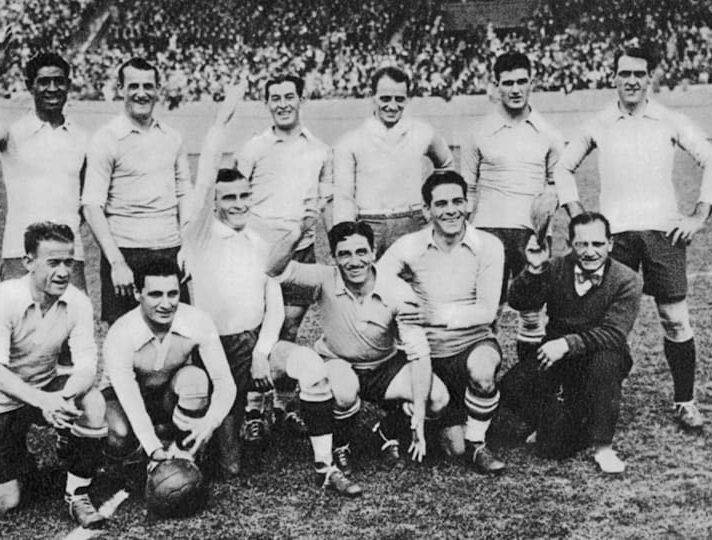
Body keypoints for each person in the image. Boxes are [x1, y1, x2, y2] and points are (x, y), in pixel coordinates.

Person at [181, 83, 361, 496]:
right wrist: (222, 119)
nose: (240, 204)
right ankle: (194, 433)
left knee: (311, 367)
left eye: (245, 195)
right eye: (230, 198)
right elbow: (207, 171)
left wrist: (262, 352)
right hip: (216, 350)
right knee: (229, 466)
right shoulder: (198, 235)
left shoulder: (258, 241)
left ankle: (325, 465)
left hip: (254, 344)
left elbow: (275, 304)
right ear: (214, 204)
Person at [555, 47, 712, 431]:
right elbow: (563, 168)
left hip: (664, 232)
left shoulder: (669, 119)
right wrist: (579, 217)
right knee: (599, 319)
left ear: (650, 78)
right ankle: (588, 398)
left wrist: (699, 214)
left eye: (639, 74)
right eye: (624, 73)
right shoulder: (600, 122)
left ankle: (685, 401)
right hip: (614, 236)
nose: (631, 80)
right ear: (613, 77)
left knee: (674, 319)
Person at [267, 220, 450, 472]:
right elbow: (273, 269)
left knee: (437, 398)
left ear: (373, 253)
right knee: (344, 392)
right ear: (334, 258)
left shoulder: (397, 289)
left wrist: (419, 416)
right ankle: (341, 444)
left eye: (361, 252)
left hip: (384, 367)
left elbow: (419, 354)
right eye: (345, 254)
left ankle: (387, 431)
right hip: (338, 362)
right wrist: (297, 233)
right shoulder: (324, 277)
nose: (354, 261)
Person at [0, 222, 107, 527]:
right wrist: (44, 401)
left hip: (47, 388)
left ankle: (77, 493)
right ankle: (21, 458)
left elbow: (87, 366)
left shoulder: (78, 302)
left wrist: (64, 398)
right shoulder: (0, 299)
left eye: (68, 262)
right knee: (6, 504)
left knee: (94, 402)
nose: (63, 272)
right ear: (28, 262)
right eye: (53, 262)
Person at [377, 171, 507, 474]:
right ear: (427, 211)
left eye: (457, 201)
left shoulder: (489, 245)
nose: (451, 210)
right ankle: (393, 424)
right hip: (427, 355)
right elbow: (377, 279)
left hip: (472, 344)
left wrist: (434, 315)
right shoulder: (409, 245)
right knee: (451, 449)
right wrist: (405, 296)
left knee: (483, 374)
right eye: (441, 204)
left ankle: (477, 442)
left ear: (467, 204)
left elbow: (487, 311)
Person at [461, 51, 564, 427]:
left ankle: (528, 393)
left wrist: (544, 228)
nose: (516, 89)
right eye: (508, 82)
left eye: (522, 81)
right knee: (486, 315)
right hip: (487, 233)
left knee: (532, 316)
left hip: (529, 236)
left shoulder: (549, 133)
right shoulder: (477, 132)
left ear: (532, 82)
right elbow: (467, 190)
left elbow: (555, 187)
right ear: (496, 86)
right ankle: (478, 391)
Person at [508, 213, 643, 473]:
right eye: (582, 244)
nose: (590, 252)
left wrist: (567, 344)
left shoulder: (627, 279)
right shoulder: (556, 267)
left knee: (605, 363)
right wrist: (534, 269)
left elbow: (614, 334)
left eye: (598, 244)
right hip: (557, 355)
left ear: (610, 244)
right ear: (571, 244)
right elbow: (518, 302)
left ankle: (603, 447)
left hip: (600, 355)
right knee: (511, 397)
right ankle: (565, 412)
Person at [0, 35, 89, 288]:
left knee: (74, 314)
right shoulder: (13, 133)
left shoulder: (82, 138)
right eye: (43, 82)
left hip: (69, 255)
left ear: (68, 85)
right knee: (21, 314)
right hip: (20, 253)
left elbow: (86, 200)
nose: (52, 88)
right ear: (30, 86)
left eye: (59, 81)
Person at [101, 256, 235, 485]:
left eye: (172, 294)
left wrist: (210, 422)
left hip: (166, 394)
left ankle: (184, 454)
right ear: (138, 294)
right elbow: (130, 398)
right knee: (119, 433)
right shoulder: (121, 333)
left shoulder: (197, 320)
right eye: (155, 295)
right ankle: (124, 463)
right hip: (123, 399)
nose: (166, 304)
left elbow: (224, 382)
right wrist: (153, 449)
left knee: (195, 379)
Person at [82, 57, 191, 325]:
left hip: (170, 249)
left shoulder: (173, 137)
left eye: (148, 86)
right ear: (121, 89)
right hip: (127, 252)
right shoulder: (106, 138)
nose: (141, 93)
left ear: (158, 89)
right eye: (133, 86)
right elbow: (92, 206)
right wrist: (117, 263)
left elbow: (185, 195)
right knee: (125, 336)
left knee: (175, 335)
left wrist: (188, 247)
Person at [234, 74, 333, 345]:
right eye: (275, 99)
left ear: (302, 99)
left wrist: (335, 242)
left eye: (289, 97)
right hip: (260, 251)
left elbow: (326, 202)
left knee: (290, 326)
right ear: (266, 103)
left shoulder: (321, 150)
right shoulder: (253, 148)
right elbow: (233, 199)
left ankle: (282, 373)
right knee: (255, 324)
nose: (282, 104)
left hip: (301, 250)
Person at [333, 66, 454, 256]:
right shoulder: (351, 140)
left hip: (412, 222)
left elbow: (446, 164)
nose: (392, 106)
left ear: (408, 98)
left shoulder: (423, 132)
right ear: (372, 96)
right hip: (368, 224)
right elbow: (343, 197)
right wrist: (345, 237)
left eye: (399, 99)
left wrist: (434, 204)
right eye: (385, 98)